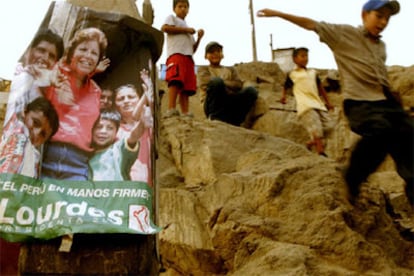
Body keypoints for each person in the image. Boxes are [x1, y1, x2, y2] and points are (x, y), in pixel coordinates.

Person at [257, 0, 414, 206]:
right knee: (380, 132)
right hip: (361, 103)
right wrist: (278, 13)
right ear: (364, 15)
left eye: (387, 18)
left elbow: (379, 74)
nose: (383, 22)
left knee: (409, 140)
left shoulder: (380, 46)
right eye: (379, 16)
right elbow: (311, 24)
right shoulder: (344, 35)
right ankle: (352, 179)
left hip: (386, 103)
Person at [41, 27, 108, 181]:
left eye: (94, 53)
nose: (88, 56)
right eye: (83, 49)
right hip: (45, 156)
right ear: (72, 53)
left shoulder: (96, 91)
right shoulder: (55, 75)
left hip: (78, 163)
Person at [281, 47, 334, 156]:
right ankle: (320, 152)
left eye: (306, 56)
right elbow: (285, 86)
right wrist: (283, 97)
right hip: (305, 105)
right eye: (302, 56)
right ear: (295, 59)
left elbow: (321, 88)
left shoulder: (313, 72)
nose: (305, 58)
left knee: (330, 126)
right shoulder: (292, 74)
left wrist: (328, 102)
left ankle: (310, 143)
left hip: (318, 104)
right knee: (316, 127)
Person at [5, 29, 64, 124]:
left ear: (55, 63)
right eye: (41, 50)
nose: (45, 58)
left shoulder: (46, 91)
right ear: (29, 50)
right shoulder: (9, 71)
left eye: (51, 56)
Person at [197, 41, 258, 126]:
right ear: (206, 56)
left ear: (222, 54)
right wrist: (226, 85)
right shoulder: (203, 69)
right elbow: (205, 83)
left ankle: (236, 121)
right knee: (216, 82)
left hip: (230, 102)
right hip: (211, 105)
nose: (215, 54)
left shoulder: (231, 70)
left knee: (251, 91)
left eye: (218, 51)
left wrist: (223, 84)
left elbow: (238, 85)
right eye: (211, 52)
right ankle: (215, 118)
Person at [89, 94, 148, 181]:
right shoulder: (85, 154)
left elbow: (133, 137)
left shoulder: (119, 150)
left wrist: (143, 122)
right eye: (99, 127)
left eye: (110, 128)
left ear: (116, 132)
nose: (103, 131)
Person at [161, 0, 204, 117]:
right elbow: (164, 28)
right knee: (175, 80)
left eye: (185, 7)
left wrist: (199, 38)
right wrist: (186, 30)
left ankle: (185, 111)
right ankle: (171, 108)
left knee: (186, 86)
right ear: (174, 9)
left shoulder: (189, 31)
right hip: (176, 54)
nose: (183, 9)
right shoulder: (172, 19)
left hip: (188, 58)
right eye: (180, 6)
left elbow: (193, 49)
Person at [0, 97, 59, 178]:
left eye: (43, 134)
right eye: (36, 122)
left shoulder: (34, 159)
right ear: (24, 112)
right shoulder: (11, 125)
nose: (36, 133)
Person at [114, 75, 153, 184]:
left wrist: (148, 95)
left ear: (139, 99)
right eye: (121, 99)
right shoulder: (112, 129)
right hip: (122, 184)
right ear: (115, 105)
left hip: (148, 182)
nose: (126, 101)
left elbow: (137, 115)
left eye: (131, 97)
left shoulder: (148, 121)